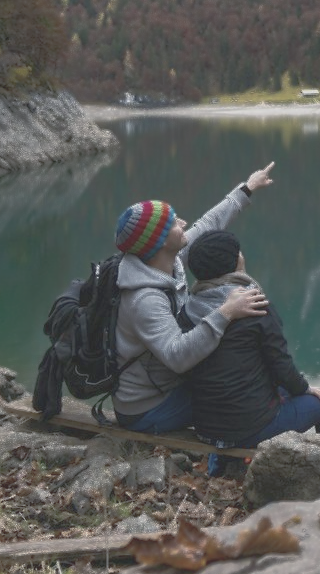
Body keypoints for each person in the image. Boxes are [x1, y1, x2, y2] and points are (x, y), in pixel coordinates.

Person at [110, 162, 276, 434]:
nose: (183, 223)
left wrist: (247, 188)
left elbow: (208, 223)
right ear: (161, 240)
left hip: (166, 385)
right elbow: (177, 356)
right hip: (147, 408)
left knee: (244, 381)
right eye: (175, 222)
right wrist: (225, 312)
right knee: (243, 395)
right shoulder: (144, 299)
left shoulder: (165, 260)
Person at [181, 229, 320, 465]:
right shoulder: (254, 306)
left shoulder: (189, 307)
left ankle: (221, 466)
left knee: (266, 387)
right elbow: (280, 364)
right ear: (236, 262)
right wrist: (305, 388)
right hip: (247, 429)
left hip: (206, 427)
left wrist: (297, 387)